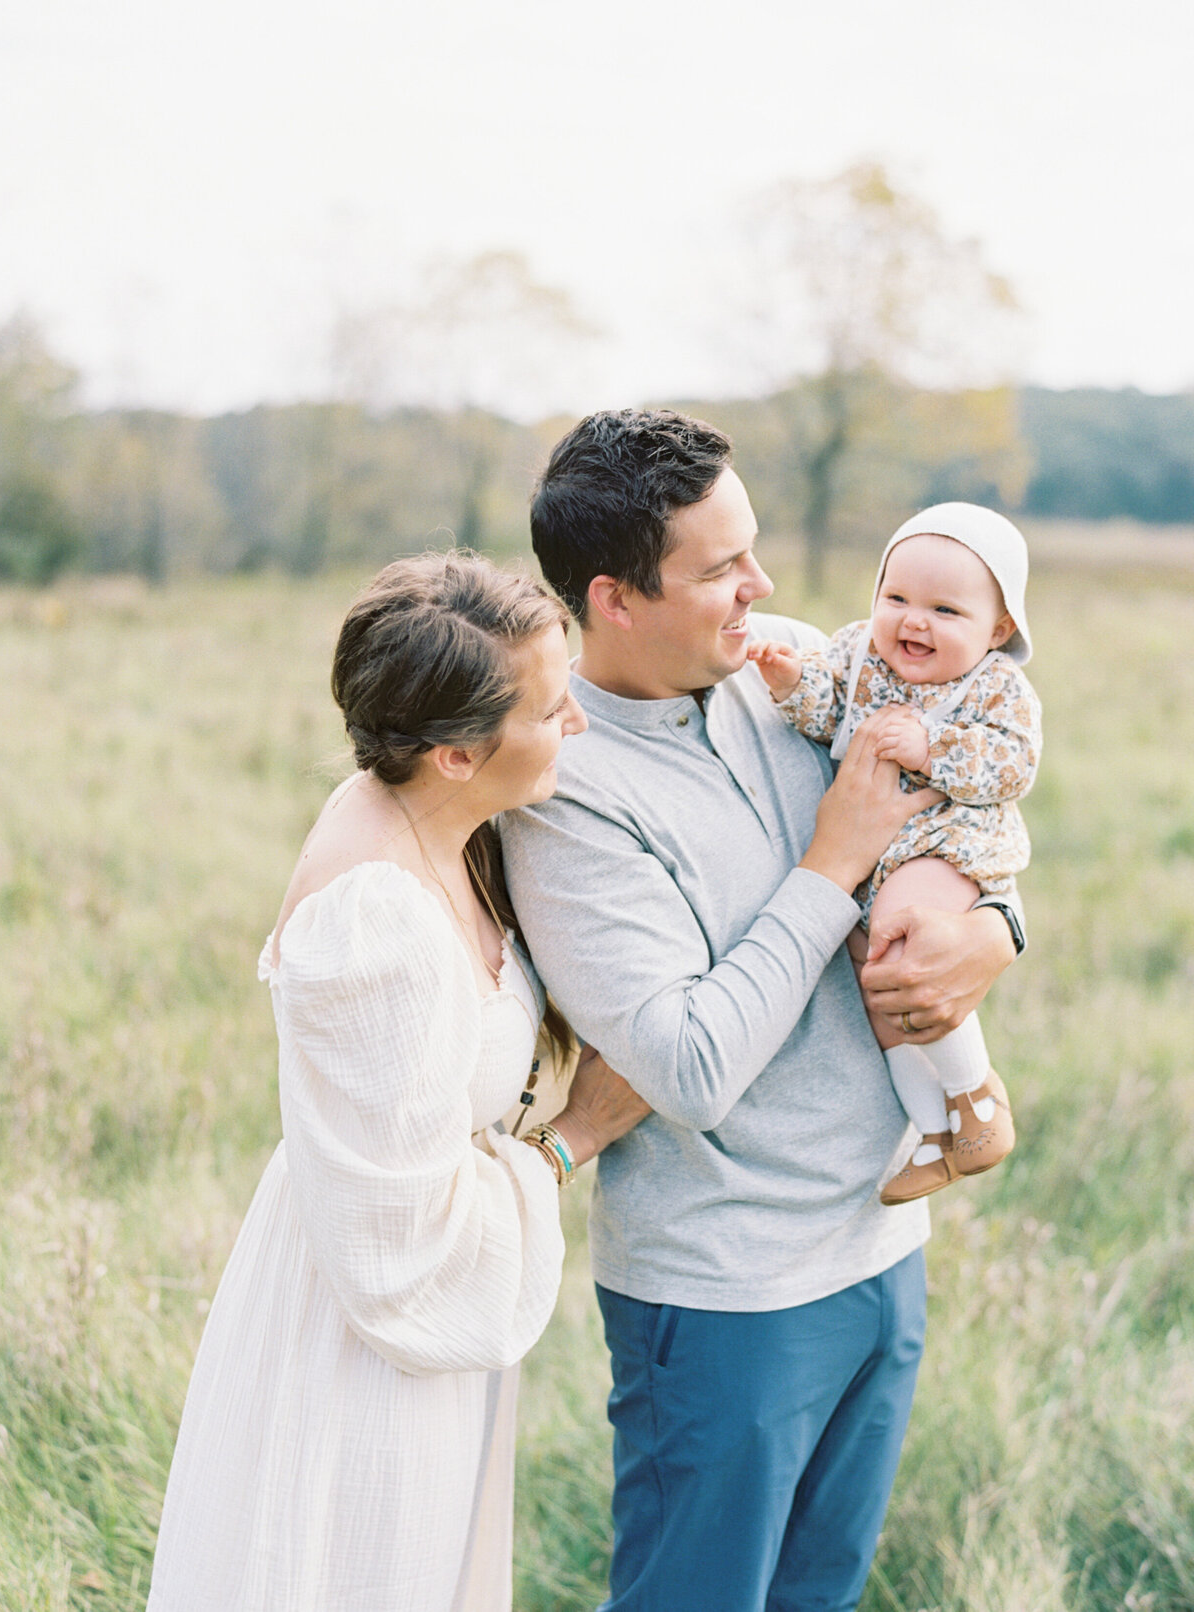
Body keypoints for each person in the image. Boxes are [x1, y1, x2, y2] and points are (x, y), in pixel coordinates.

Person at [499, 410, 1023, 1612]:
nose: (763, 586)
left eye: (755, 549)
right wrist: (831, 865)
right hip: (728, 1293)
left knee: (820, 1598)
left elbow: (966, 819)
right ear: (614, 599)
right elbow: (686, 1066)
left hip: (885, 1247)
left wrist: (993, 935)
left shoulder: (793, 671)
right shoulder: (570, 794)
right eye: (720, 569)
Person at [146, 551, 649, 1612]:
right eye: (552, 710)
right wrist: (571, 1139)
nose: (579, 727)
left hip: (412, 1317)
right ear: (457, 751)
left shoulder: (445, 821)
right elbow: (395, 1240)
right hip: (362, 1342)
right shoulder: (377, 920)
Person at [749, 502, 1041, 1203]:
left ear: (998, 629)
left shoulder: (994, 685)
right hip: (872, 862)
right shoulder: (856, 654)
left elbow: (1014, 766)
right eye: (897, 597)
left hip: (944, 844)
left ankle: (976, 1100)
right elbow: (827, 716)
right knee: (883, 996)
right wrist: (793, 684)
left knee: (904, 950)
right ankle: (934, 1131)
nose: (914, 620)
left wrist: (933, 748)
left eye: (945, 609)